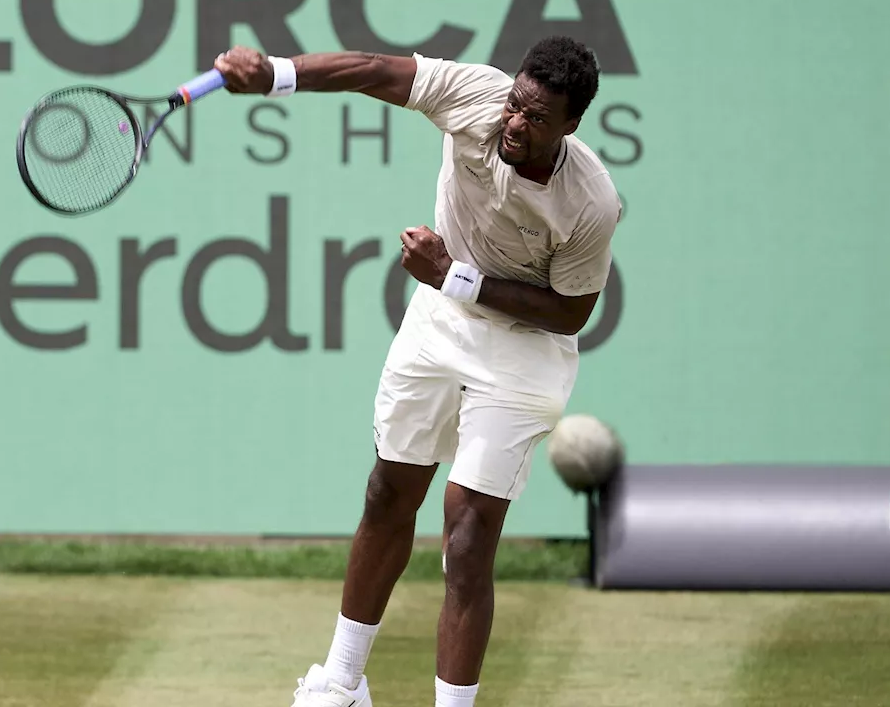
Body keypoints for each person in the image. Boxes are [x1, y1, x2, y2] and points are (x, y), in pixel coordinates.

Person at [213, 35, 621, 707]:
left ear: (570, 127)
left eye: (537, 118)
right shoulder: (479, 97)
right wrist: (276, 75)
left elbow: (570, 314)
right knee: (387, 492)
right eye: (515, 105)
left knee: (466, 535)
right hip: (440, 325)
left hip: (523, 352)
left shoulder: (590, 203)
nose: (515, 124)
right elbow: (373, 70)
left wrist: (456, 278)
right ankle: (341, 683)